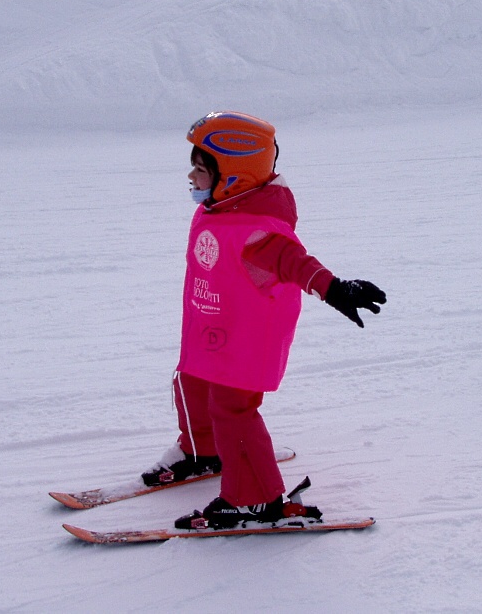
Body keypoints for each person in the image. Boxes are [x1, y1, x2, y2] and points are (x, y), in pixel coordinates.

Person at [141, 111, 386, 530]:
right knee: (190, 380)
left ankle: (255, 500)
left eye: (200, 169)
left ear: (233, 178)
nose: (191, 176)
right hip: (213, 329)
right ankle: (203, 450)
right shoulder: (223, 209)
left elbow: (294, 262)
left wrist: (335, 288)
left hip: (245, 341)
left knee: (232, 409)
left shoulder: (255, 229)